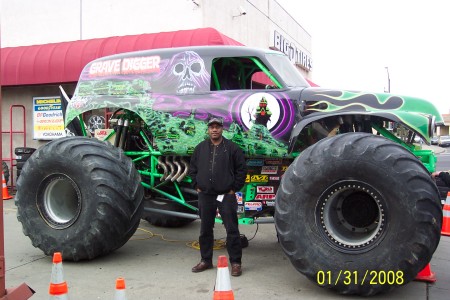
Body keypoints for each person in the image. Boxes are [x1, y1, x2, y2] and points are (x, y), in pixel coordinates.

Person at [189, 117, 247, 276]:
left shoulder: (232, 148)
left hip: (225, 195)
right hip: (206, 195)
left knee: (232, 229)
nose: (214, 129)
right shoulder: (200, 148)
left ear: (222, 129)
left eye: (217, 127)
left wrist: (233, 188)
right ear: (208, 129)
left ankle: (235, 263)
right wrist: (197, 185)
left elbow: (241, 170)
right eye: (211, 127)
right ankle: (206, 261)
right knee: (205, 229)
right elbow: (192, 168)